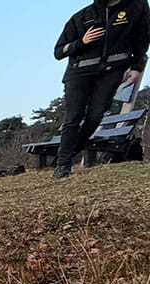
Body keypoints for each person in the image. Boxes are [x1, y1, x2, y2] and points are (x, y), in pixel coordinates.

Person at [53, 0, 150, 178]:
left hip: (112, 70)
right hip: (79, 72)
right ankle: (62, 165)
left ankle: (72, 150)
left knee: (96, 115)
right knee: (74, 116)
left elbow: (142, 39)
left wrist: (137, 67)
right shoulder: (81, 17)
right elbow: (59, 51)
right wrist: (81, 42)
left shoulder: (136, 7)